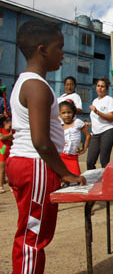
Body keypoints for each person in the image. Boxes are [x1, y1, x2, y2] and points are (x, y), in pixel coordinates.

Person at [6, 20, 85, 274]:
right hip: (35, 164)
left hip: (26, 163)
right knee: (33, 237)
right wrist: (66, 173)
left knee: (33, 233)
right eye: (59, 47)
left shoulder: (26, 82)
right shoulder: (37, 86)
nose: (63, 53)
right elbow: (41, 141)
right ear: (42, 49)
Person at [86, 77, 113, 169]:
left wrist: (97, 112)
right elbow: (97, 120)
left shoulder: (109, 99)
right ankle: (92, 180)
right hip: (95, 134)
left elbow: (111, 117)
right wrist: (89, 124)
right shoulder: (95, 101)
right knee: (90, 161)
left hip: (107, 131)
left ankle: (106, 180)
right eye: (98, 86)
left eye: (102, 86)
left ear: (106, 89)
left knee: (104, 160)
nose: (100, 88)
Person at [59, 101, 91, 175]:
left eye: (69, 112)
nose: (67, 115)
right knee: (62, 177)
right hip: (61, 157)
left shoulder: (77, 122)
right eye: (63, 113)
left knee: (76, 177)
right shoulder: (59, 125)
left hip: (73, 157)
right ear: (59, 114)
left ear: (73, 113)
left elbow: (88, 135)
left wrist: (84, 149)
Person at [0, 116, 12, 193]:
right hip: (2, 151)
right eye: (9, 123)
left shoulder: (11, 130)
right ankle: (1, 186)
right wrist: (9, 135)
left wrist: (8, 136)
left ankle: (11, 185)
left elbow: (12, 138)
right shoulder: (1, 129)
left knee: (10, 169)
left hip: (10, 150)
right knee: (2, 169)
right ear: (5, 123)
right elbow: (1, 138)